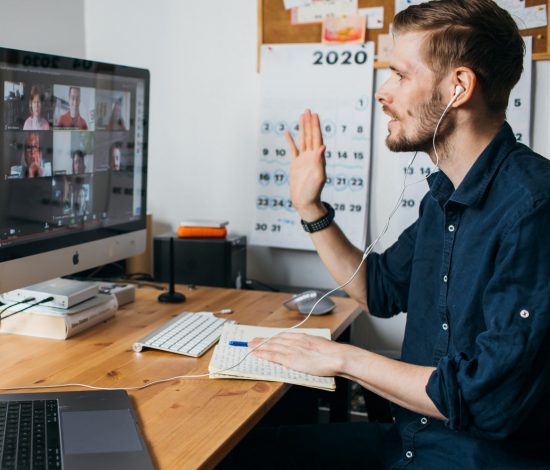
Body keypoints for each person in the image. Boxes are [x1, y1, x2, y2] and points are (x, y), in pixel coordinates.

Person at [233, 1, 550, 468]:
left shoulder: (533, 208)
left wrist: (343, 360)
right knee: (241, 454)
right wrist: (310, 207)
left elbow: (486, 401)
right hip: (412, 442)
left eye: (400, 75)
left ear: (459, 87)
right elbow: (376, 289)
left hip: (474, 458)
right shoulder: (443, 196)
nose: (383, 92)